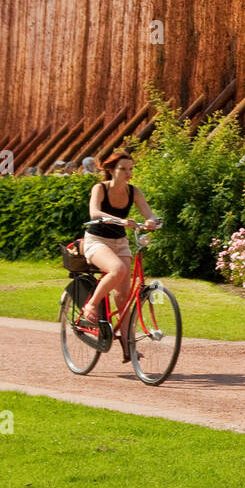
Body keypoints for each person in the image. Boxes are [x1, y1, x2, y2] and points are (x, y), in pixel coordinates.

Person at [75, 152, 161, 361]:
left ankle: (127, 346)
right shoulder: (101, 188)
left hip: (120, 243)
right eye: (123, 169)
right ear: (112, 170)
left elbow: (149, 213)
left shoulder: (134, 192)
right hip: (97, 241)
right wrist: (121, 221)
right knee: (118, 270)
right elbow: (94, 213)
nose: (128, 173)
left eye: (131, 169)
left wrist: (152, 221)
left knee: (124, 297)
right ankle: (92, 305)